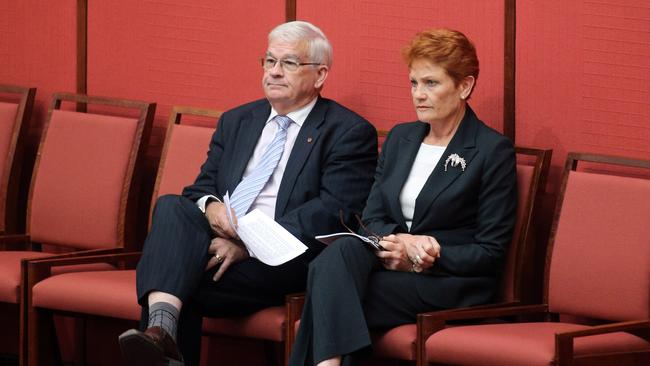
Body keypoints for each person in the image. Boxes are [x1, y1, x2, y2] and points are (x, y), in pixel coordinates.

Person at [118, 21, 378, 366]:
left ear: (319, 75)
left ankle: (161, 328)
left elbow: (332, 212)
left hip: (283, 260)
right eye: (269, 61)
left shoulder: (348, 131)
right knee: (171, 207)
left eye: (288, 63)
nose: (274, 72)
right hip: (217, 245)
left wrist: (248, 246)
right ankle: (161, 331)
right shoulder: (237, 120)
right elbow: (200, 189)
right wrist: (211, 208)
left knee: (173, 279)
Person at [288, 29, 517, 366]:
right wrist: (399, 243)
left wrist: (429, 253)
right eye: (413, 83)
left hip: (450, 282)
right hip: (391, 267)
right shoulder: (400, 138)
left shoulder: (490, 150)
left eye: (431, 83)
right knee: (342, 252)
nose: (418, 95)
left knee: (332, 297)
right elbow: (372, 218)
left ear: (465, 86)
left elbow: (490, 252)